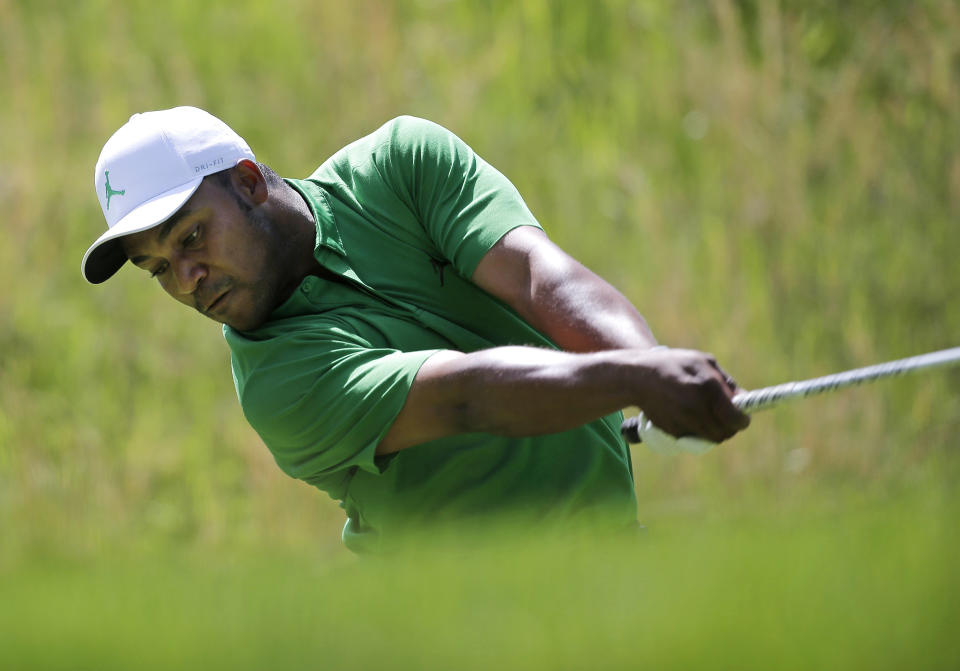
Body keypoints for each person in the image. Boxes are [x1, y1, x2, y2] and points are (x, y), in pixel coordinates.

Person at [82, 106, 749, 553]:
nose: (187, 279)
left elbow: (542, 279)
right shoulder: (275, 384)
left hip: (610, 556)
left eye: (192, 236)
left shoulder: (400, 167)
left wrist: (657, 367)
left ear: (250, 183)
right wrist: (638, 380)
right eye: (158, 268)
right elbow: (466, 395)